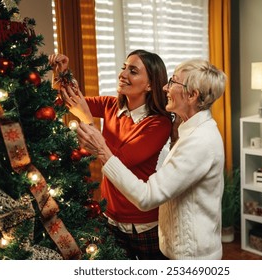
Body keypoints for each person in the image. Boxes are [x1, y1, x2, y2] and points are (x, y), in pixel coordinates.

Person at [76, 59, 227, 260]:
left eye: (173, 82)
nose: (165, 87)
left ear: (191, 95)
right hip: (176, 250)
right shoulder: (190, 131)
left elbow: (147, 197)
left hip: (191, 258)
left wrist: (102, 150)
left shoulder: (199, 141)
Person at [49, 50, 172, 260]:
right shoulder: (111, 105)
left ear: (150, 84)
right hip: (110, 218)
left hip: (143, 225)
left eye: (133, 71)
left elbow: (118, 162)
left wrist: (87, 119)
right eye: (124, 67)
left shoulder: (159, 123)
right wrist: (62, 74)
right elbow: (69, 101)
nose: (123, 74)